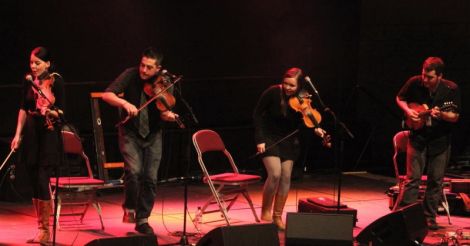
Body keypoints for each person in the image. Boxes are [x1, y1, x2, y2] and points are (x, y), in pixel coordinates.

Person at [102, 47, 178, 235]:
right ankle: (130, 207)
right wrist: (125, 103)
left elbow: (163, 110)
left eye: (149, 67)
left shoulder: (166, 82)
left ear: (158, 69)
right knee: (134, 171)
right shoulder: (130, 75)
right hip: (130, 131)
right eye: (142, 65)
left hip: (153, 134)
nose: (143, 70)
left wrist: (168, 116)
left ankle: (142, 219)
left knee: (151, 178)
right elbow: (107, 95)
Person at [253, 67, 326, 230]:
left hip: (289, 140)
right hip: (269, 137)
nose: (287, 88)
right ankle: (265, 211)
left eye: (292, 86)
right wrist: (260, 139)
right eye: (285, 83)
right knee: (275, 174)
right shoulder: (272, 92)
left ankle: (277, 216)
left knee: (286, 177)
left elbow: (306, 120)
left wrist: (316, 127)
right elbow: (257, 114)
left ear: (299, 86)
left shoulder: (302, 98)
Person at [395, 57, 461, 230]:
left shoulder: (450, 89)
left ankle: (429, 218)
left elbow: (455, 116)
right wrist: (409, 111)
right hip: (417, 137)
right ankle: (405, 216)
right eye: (424, 75)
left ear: (440, 76)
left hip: (440, 140)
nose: (425, 80)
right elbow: (400, 98)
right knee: (412, 179)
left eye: (430, 77)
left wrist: (443, 115)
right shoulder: (414, 82)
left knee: (435, 181)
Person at [11, 46, 65, 245]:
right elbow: (23, 109)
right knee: (34, 178)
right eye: (31, 62)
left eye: (38, 63)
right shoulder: (28, 82)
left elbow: (62, 112)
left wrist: (49, 112)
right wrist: (17, 135)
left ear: (48, 64)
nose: (33, 66)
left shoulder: (56, 81)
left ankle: (45, 230)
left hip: (49, 134)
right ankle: (40, 227)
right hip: (32, 135)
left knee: (42, 178)